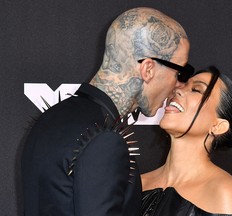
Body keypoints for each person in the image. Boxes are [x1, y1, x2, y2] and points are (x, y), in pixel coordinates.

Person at [21, 7, 193, 216]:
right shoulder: (105, 139)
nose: (178, 85)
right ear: (148, 69)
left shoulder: (52, 117)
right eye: (179, 72)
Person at [141, 66, 232, 216]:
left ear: (218, 126)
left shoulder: (223, 191)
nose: (177, 90)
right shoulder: (136, 184)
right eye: (184, 85)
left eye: (196, 90)